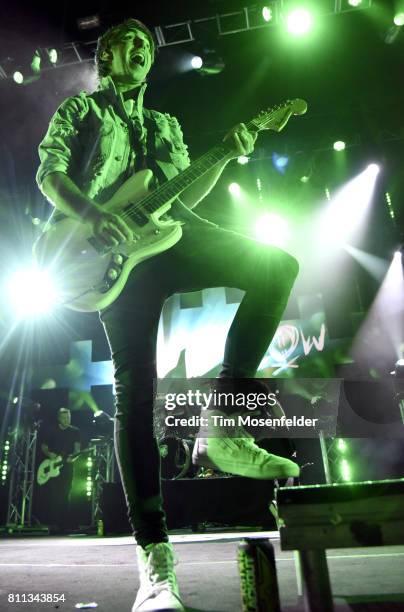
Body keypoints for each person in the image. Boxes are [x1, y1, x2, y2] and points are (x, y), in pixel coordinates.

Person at [36, 18, 300, 611]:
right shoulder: (80, 113)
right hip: (104, 257)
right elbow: (50, 174)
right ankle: (155, 569)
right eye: (125, 41)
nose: (139, 50)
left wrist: (226, 157)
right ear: (104, 55)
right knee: (135, 396)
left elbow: (182, 201)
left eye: (146, 46)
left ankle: (224, 423)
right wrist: (90, 211)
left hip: (164, 239)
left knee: (276, 266)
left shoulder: (164, 126)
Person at [39, 407, 81, 533]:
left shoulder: (75, 431)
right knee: (54, 495)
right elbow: (43, 446)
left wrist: (73, 458)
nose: (67, 420)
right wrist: (49, 454)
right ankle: (53, 524)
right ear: (59, 418)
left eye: (68, 417)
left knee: (66, 494)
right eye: (64, 417)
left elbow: (77, 450)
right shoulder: (51, 430)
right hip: (52, 465)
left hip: (67, 466)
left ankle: (65, 524)